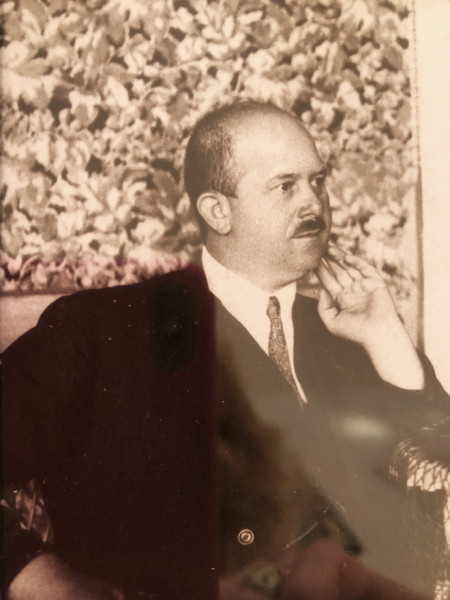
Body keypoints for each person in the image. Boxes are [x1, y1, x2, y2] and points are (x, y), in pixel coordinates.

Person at [3, 101, 448, 600]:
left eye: (318, 181)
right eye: (286, 186)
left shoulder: (349, 332)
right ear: (218, 211)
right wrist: (35, 578)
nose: (315, 203)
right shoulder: (102, 329)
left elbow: (436, 478)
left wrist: (386, 337)